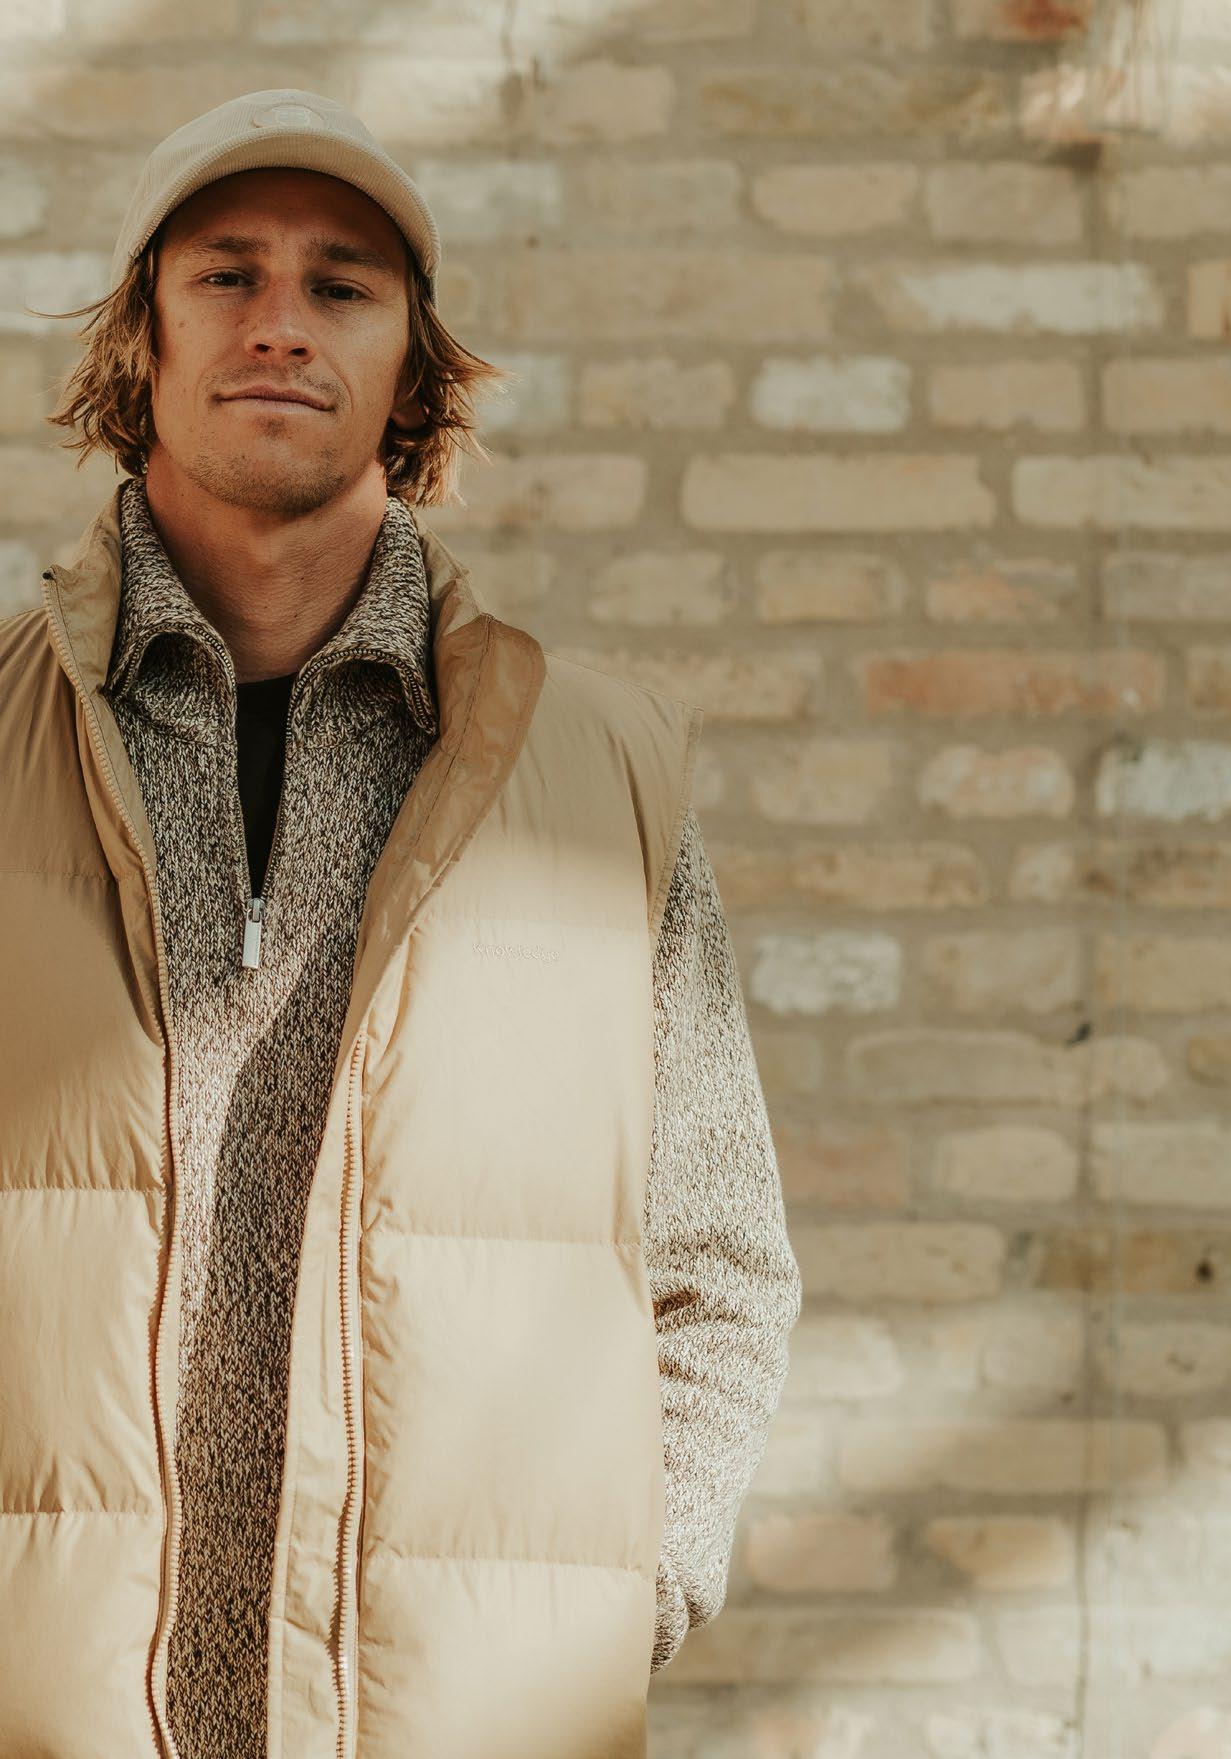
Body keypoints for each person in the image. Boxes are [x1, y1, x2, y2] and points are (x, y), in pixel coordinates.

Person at [0, 87, 802, 1759]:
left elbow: (716, 1264)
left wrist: (617, 1595)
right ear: (142, 338)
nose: (281, 324)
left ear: (411, 367)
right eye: (227, 274)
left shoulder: (599, 768)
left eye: (341, 285)